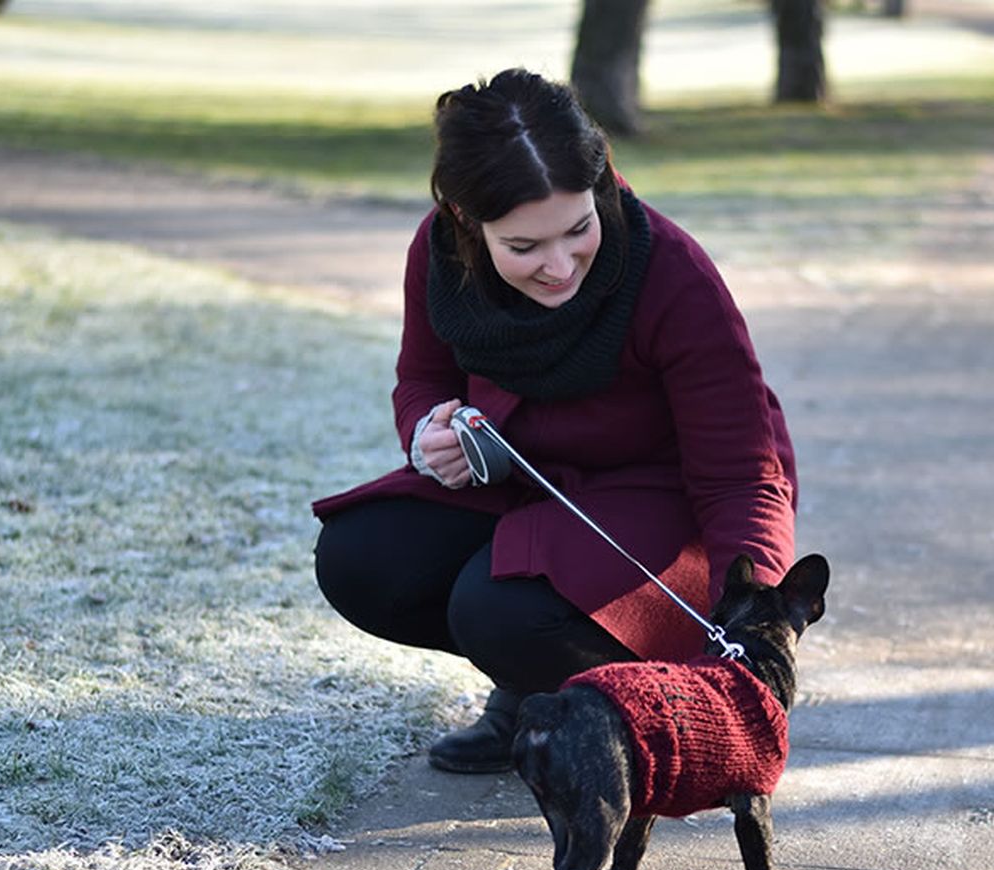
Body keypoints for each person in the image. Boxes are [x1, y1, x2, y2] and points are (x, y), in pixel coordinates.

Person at [312, 68, 797, 774]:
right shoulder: (439, 257)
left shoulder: (672, 275)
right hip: (525, 480)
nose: (561, 266)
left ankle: (604, 711)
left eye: (577, 229)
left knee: (500, 612)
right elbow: (422, 379)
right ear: (464, 221)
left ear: (599, 188)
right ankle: (538, 685)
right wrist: (427, 433)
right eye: (524, 247)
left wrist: (750, 631)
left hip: (663, 503)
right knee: (362, 560)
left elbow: (742, 475)